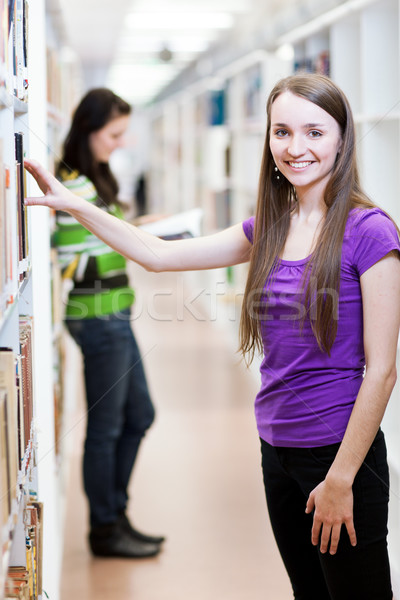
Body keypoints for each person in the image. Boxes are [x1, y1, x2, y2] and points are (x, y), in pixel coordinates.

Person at [25, 73, 400, 599]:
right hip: (277, 448)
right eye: (282, 132)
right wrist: (81, 208)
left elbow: (382, 370)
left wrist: (341, 479)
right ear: (267, 141)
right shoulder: (269, 224)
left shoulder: (370, 231)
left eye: (314, 133)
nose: (296, 148)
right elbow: (157, 255)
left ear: (342, 138)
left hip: (338, 456)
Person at [52, 88, 165, 558]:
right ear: (89, 129)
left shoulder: (93, 179)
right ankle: (104, 529)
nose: (119, 143)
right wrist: (131, 242)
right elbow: (77, 259)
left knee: (140, 415)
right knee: (105, 427)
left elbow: (106, 240)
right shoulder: (68, 183)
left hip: (115, 313)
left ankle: (116, 513)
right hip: (96, 317)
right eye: (113, 134)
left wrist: (147, 231)